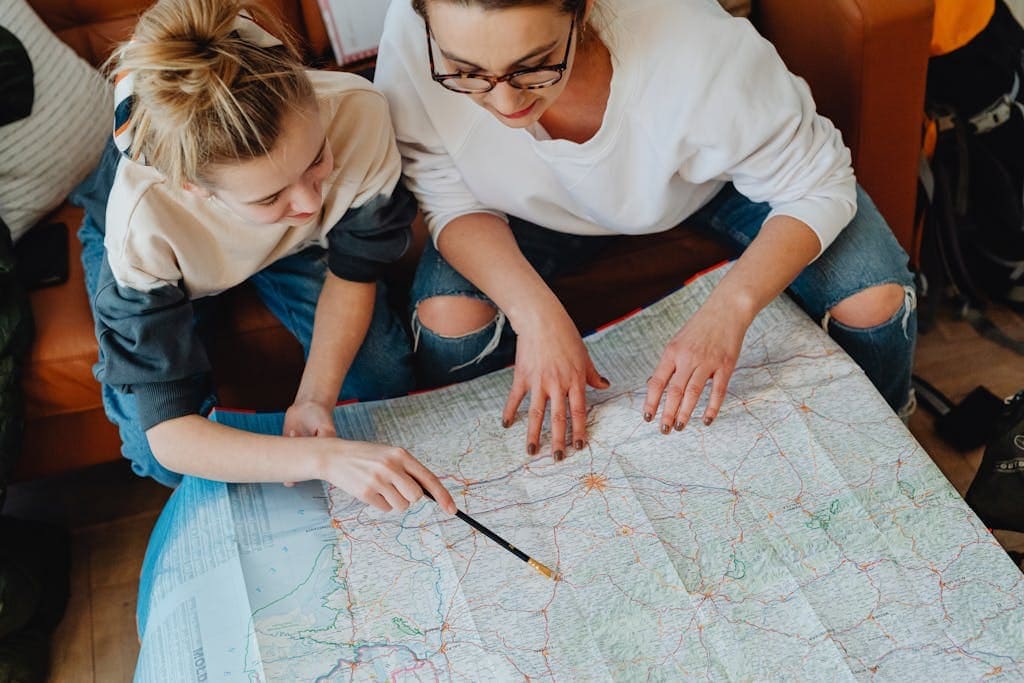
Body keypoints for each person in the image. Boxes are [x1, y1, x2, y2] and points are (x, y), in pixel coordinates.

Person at [374, 0, 918, 461]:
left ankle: (889, 452)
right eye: (466, 72)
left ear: (582, 9)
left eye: (534, 67)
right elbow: (448, 196)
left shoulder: (698, 48)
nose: (504, 103)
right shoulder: (415, 28)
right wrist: (534, 313)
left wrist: (729, 311)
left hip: (711, 188)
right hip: (518, 211)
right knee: (451, 323)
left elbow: (818, 186)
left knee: (873, 302)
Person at [76, 0, 455, 515]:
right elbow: (170, 436)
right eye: (270, 196)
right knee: (155, 457)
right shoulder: (142, 224)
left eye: (317, 160)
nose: (309, 205)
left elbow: (355, 271)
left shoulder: (355, 110)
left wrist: (316, 400)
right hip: (174, 267)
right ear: (193, 189)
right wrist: (317, 459)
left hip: (288, 250)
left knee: (382, 381)